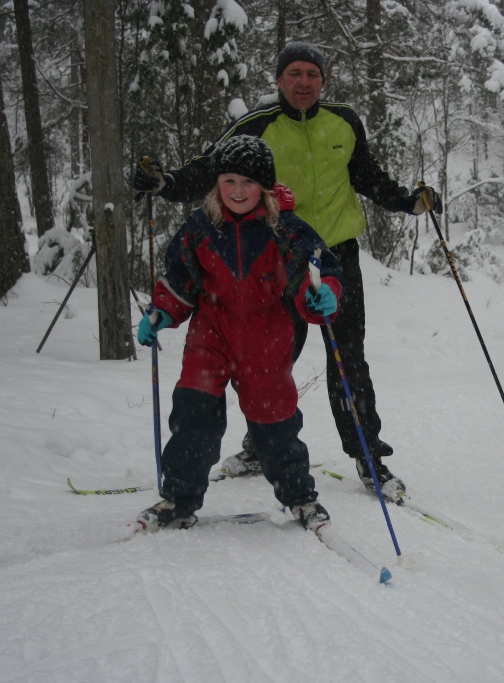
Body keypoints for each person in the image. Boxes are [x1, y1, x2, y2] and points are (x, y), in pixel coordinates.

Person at [134, 41, 440, 499]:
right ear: (278, 80)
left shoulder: (344, 121)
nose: (303, 82)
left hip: (335, 257)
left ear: (323, 80)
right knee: (268, 360)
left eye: (311, 75)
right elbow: (213, 169)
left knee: (347, 358)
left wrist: (405, 202)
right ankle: (261, 445)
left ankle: (367, 455)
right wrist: (168, 184)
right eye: (294, 73)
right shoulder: (257, 124)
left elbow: (367, 174)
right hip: (275, 258)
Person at [134, 135, 344, 532]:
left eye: (248, 182)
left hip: (267, 335)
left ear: (263, 187)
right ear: (217, 185)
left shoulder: (286, 229)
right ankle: (177, 499)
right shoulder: (199, 228)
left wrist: (322, 295)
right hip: (211, 332)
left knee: (275, 422)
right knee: (193, 415)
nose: (237, 191)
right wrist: (161, 311)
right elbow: (180, 278)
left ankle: (300, 497)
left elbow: (320, 270)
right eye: (228, 181)